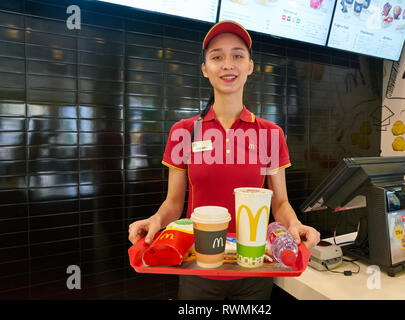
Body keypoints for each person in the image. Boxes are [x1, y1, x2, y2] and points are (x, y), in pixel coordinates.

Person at [128, 20, 320, 300]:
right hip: (198, 265)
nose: (228, 64)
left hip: (254, 265)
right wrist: (156, 220)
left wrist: (295, 226)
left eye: (237, 55)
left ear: (250, 66)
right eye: (217, 57)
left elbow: (279, 202)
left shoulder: (270, 133)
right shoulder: (184, 131)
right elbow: (173, 203)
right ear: (205, 69)